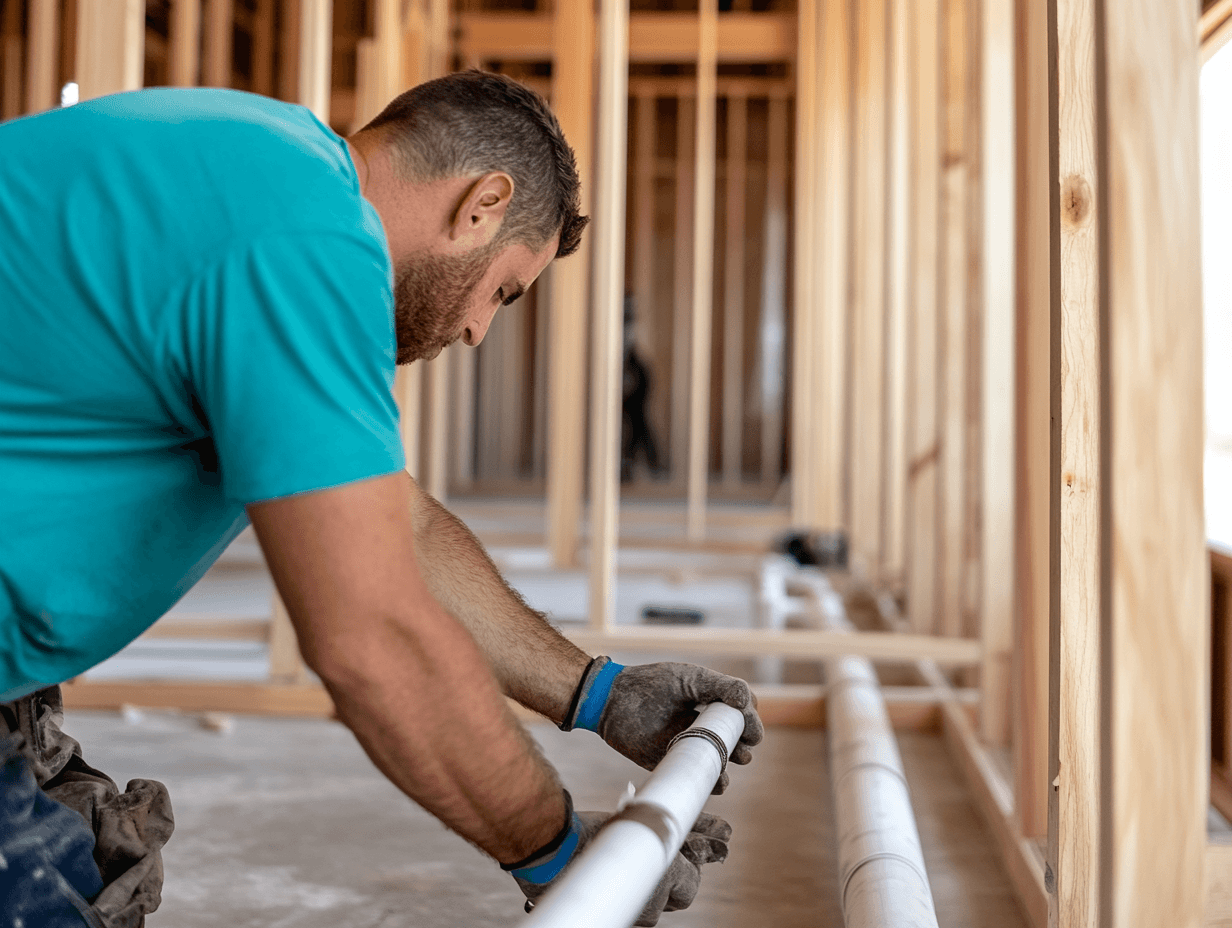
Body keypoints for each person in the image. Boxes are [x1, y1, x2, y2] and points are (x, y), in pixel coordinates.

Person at [0, 71, 763, 927]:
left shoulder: (272, 175)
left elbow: (393, 526)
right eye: (504, 291)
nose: (479, 330)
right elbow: (370, 637)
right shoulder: (307, 239)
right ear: (482, 203)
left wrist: (597, 694)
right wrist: (554, 850)